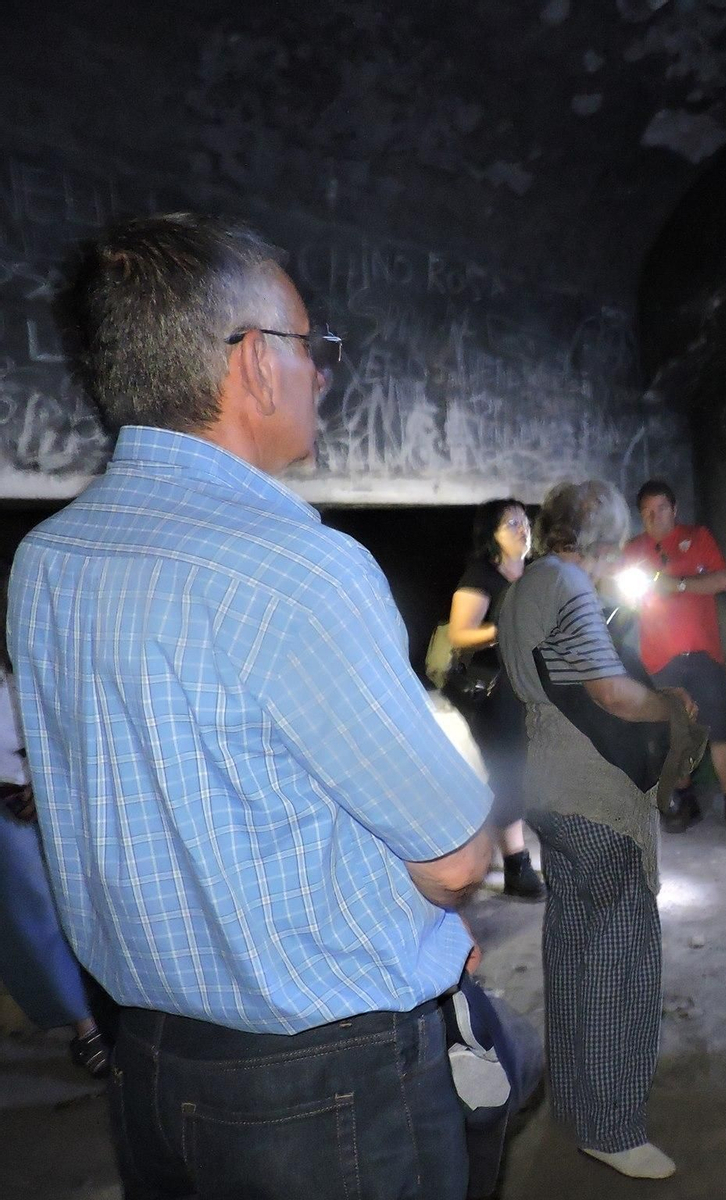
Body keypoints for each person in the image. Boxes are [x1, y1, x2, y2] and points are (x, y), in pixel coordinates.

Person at [8, 213, 494, 1200]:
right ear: (254, 363)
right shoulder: (299, 569)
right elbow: (452, 858)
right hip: (328, 1094)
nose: (323, 373)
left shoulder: (46, 562)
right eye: (313, 347)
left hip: (151, 1070)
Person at [498, 479, 695, 1181]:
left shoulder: (524, 585)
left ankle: (578, 1108)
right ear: (604, 538)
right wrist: (671, 710)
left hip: (546, 785)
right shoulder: (570, 587)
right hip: (593, 793)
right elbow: (610, 692)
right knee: (620, 957)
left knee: (573, 946)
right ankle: (614, 1127)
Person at [0, 564, 109, 1080]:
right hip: (9, 809)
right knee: (34, 909)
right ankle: (87, 1028)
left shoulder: (42, 658)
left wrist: (50, 786)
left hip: (66, 795)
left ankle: (118, 1017)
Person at [623, 480, 726, 835]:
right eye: (647, 513)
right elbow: (624, 597)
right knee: (676, 732)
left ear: (675, 509)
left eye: (661, 509)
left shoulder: (698, 538)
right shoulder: (634, 550)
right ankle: (686, 800)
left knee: (719, 730)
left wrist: (679, 585)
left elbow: (722, 580)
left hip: (703, 653)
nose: (655, 517)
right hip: (660, 658)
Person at [448, 497, 547, 899]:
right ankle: (516, 865)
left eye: (524, 522)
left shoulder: (533, 574)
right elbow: (459, 634)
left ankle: (497, 850)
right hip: (494, 691)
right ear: (491, 534)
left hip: (530, 686)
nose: (522, 530)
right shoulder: (481, 576)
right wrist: (503, 627)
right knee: (509, 770)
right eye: (511, 524)